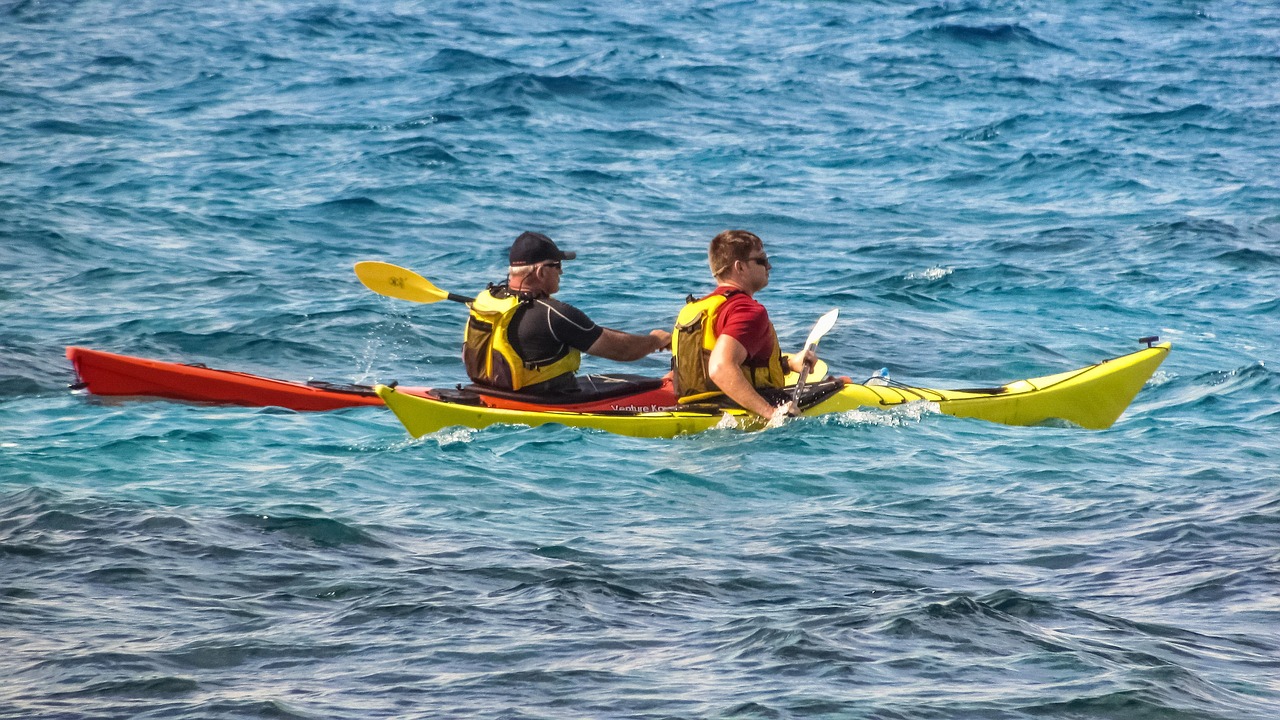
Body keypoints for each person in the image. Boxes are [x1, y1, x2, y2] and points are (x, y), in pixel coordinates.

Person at [463, 231, 671, 394]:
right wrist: (654, 340)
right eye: (557, 265)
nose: (561, 271)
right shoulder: (553, 314)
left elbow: (588, 333)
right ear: (540, 272)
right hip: (546, 399)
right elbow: (622, 351)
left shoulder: (488, 300)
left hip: (495, 391)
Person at [670, 229, 816, 419]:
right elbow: (720, 368)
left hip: (694, 409)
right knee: (838, 386)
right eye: (761, 260)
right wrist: (771, 413)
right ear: (739, 267)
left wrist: (788, 364)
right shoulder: (748, 310)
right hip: (734, 411)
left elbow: (713, 365)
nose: (769, 266)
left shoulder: (698, 308)